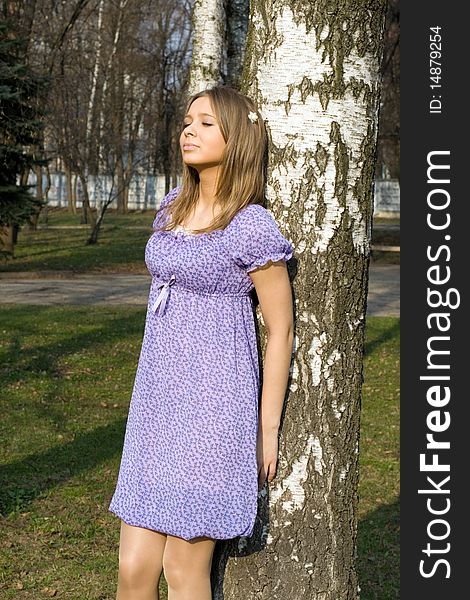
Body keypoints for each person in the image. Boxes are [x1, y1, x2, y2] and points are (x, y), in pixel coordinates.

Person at [108, 85, 294, 600]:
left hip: (214, 411)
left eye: (206, 122)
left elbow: (281, 329)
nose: (189, 129)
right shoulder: (172, 206)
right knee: (133, 567)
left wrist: (268, 426)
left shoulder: (250, 224)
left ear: (235, 138)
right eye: (188, 121)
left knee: (183, 569)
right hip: (157, 405)